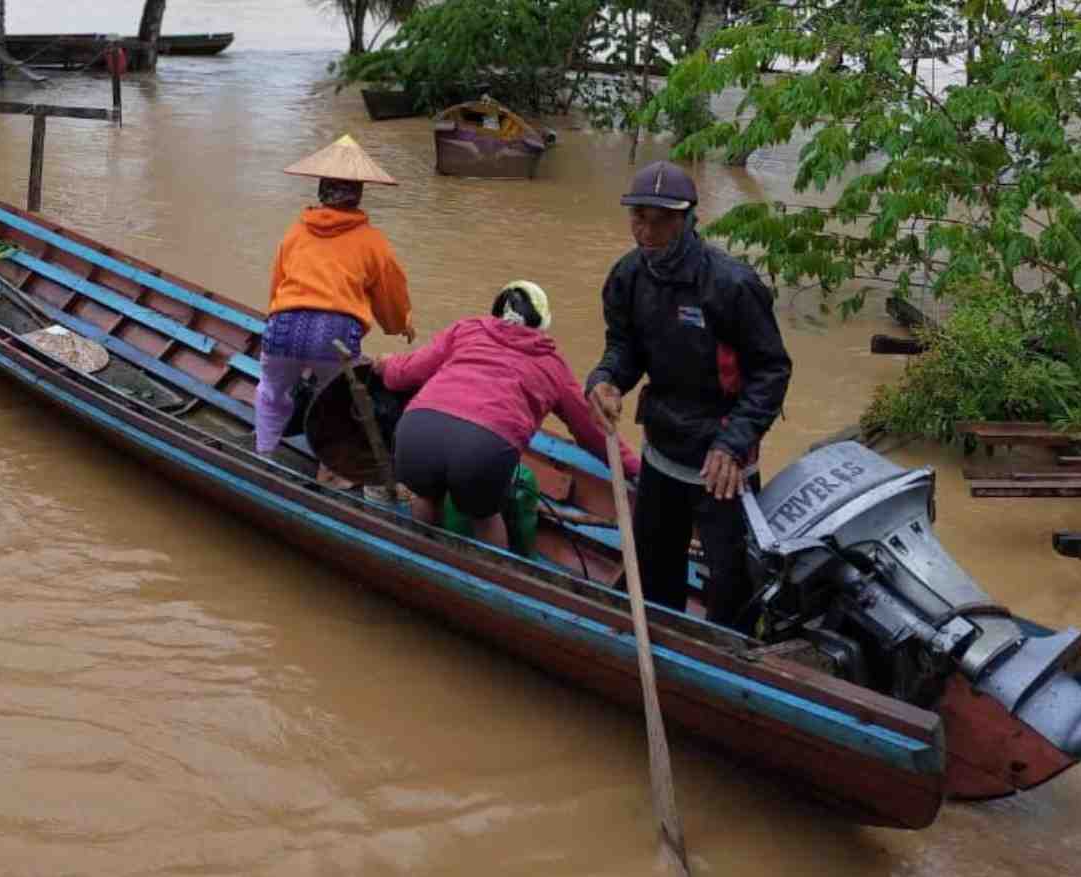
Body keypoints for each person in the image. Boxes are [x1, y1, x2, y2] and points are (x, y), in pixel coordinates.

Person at [585, 160, 792, 630]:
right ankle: (663, 647)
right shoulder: (627, 276)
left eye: (662, 220)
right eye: (639, 217)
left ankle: (730, 667)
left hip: (724, 461)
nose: (647, 231)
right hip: (663, 450)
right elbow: (624, 347)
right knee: (655, 574)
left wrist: (734, 442)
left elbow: (772, 370)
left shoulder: (732, 284)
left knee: (734, 585)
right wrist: (605, 379)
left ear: (688, 219)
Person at [375, 281, 641, 550]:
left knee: (426, 495)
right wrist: (635, 469)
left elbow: (405, 373)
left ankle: (421, 552)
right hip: (482, 451)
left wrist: (384, 365)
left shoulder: (466, 329)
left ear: (497, 312)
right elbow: (591, 429)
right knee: (485, 517)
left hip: (416, 433)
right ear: (541, 325)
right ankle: (493, 572)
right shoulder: (552, 364)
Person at [256, 135, 415, 474]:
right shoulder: (372, 242)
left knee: (271, 393)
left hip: (283, 328)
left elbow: (276, 288)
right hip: (336, 337)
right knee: (341, 405)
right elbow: (391, 299)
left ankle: (264, 455)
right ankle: (331, 471)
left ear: (321, 191)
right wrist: (400, 325)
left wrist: (276, 322)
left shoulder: (295, 233)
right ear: (357, 195)